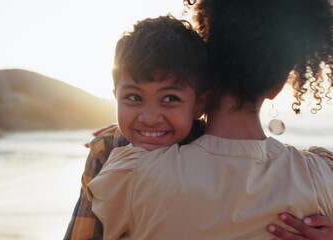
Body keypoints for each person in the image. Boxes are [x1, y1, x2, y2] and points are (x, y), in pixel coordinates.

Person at [86, 0, 333, 239]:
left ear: (204, 70)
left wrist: (118, 137)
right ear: (278, 86)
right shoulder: (321, 178)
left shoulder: (129, 171)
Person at [64, 14, 209, 239]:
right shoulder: (107, 150)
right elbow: (83, 233)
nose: (149, 118)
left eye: (170, 99)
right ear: (116, 96)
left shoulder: (212, 153)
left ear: (199, 104)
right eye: (133, 97)